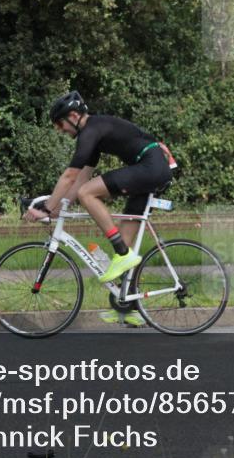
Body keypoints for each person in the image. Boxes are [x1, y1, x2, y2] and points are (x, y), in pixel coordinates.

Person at [22, 91, 173, 326]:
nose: (60, 130)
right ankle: (127, 306)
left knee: (88, 197)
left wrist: (47, 206)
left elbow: (71, 176)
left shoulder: (91, 130)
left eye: (60, 124)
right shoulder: (93, 136)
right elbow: (82, 178)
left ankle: (122, 254)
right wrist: (59, 207)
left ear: (73, 116)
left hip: (150, 167)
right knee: (125, 238)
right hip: (149, 169)